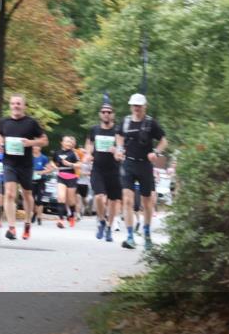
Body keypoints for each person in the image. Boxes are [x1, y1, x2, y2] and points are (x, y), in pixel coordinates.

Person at [114, 93, 168, 251]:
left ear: (145, 106)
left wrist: (156, 153)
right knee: (128, 200)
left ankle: (147, 234)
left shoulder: (151, 123)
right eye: (134, 105)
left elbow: (164, 140)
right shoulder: (125, 122)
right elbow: (118, 135)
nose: (136, 108)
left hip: (145, 165)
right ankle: (130, 236)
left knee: (147, 203)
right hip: (128, 163)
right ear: (131, 106)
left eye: (139, 105)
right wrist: (119, 149)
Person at [0, 94, 48, 241]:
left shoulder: (31, 123)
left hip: (25, 165)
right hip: (9, 163)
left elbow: (45, 141)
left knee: (27, 194)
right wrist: (1, 144)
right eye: (13, 103)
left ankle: (27, 223)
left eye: (18, 103)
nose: (15, 106)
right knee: (10, 194)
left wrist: (31, 143)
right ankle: (12, 228)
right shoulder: (4, 122)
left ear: (24, 106)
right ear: (10, 106)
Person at [85, 100, 122, 242]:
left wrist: (117, 152)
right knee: (99, 197)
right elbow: (89, 144)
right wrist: (88, 154)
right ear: (100, 114)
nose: (106, 114)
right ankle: (101, 221)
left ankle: (109, 227)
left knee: (113, 201)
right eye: (104, 112)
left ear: (113, 115)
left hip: (114, 170)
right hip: (98, 169)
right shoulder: (94, 130)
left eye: (109, 112)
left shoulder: (118, 131)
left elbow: (122, 149)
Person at [52, 136, 80, 228]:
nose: (69, 143)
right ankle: (61, 220)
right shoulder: (57, 153)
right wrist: (54, 166)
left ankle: (71, 216)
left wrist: (70, 164)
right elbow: (52, 162)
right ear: (62, 142)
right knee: (61, 197)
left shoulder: (74, 153)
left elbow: (79, 164)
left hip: (71, 177)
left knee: (71, 201)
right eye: (67, 142)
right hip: (61, 176)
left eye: (70, 142)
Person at [31, 145, 52, 227]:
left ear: (40, 147)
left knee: (39, 200)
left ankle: (39, 218)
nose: (35, 148)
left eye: (36, 146)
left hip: (41, 181)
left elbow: (50, 169)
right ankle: (35, 213)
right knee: (31, 200)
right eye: (33, 147)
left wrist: (41, 172)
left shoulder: (44, 158)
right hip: (31, 181)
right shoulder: (29, 157)